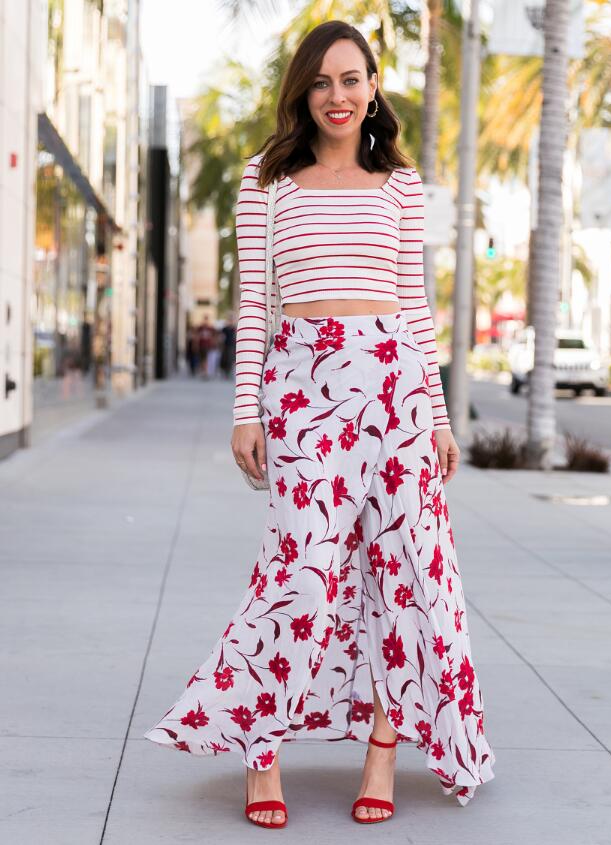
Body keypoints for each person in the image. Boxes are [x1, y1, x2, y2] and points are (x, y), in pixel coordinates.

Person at [144, 19, 495, 829]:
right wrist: (246, 413)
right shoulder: (267, 179)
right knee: (298, 573)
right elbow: (255, 307)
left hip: (398, 395)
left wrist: (437, 416)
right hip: (305, 397)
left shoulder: (402, 186)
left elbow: (415, 309)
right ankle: (260, 749)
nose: (338, 95)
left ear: (374, 88)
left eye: (352, 79)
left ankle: (382, 749)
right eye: (322, 82)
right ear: (304, 92)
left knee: (409, 572)